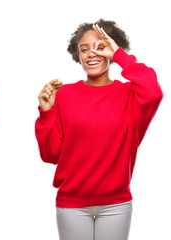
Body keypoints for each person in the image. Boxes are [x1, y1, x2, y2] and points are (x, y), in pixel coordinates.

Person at [35, 19, 163, 240]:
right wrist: (46, 113)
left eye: (100, 47)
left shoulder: (130, 95)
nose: (91, 54)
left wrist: (120, 56)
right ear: (78, 56)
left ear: (111, 51)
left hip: (116, 204)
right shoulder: (64, 95)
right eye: (84, 49)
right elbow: (51, 155)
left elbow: (153, 91)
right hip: (72, 204)